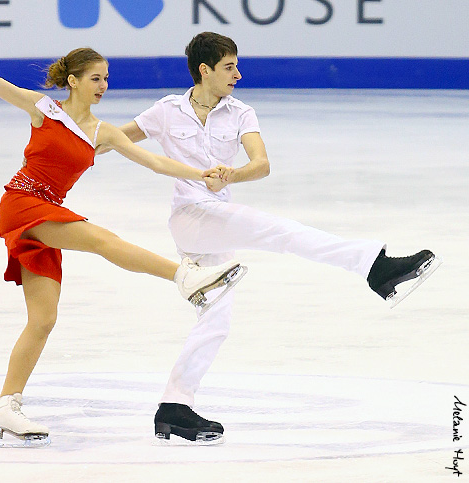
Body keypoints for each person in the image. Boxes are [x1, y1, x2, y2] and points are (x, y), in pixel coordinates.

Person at [0, 33, 247, 447]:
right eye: (95, 78)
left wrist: (200, 173)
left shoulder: (104, 132)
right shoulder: (44, 110)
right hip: (23, 203)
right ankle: (185, 277)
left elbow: (154, 160)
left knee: (43, 320)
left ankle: (5, 406)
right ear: (73, 80)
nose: (103, 86)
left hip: (47, 212)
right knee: (100, 238)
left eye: (107, 78)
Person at [111, 32, 440, 443]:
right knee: (281, 231)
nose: (238, 74)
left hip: (218, 217)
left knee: (216, 319)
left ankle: (174, 406)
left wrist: (233, 174)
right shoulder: (165, 111)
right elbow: (114, 140)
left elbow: (261, 164)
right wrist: (64, 142)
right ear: (205, 70)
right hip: (190, 216)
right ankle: (373, 266)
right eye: (229, 67)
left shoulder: (241, 113)